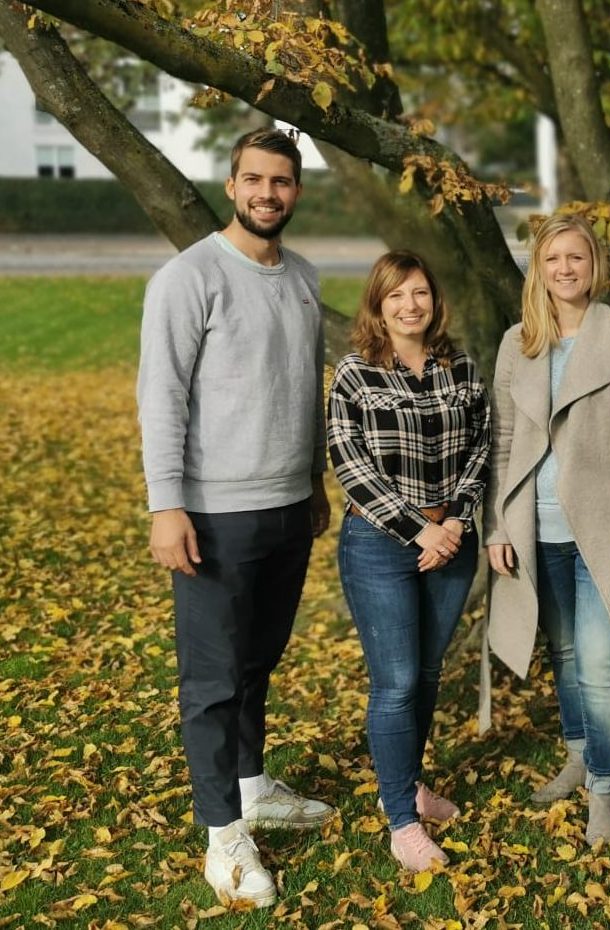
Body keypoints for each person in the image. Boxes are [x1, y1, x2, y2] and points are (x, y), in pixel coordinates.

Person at [137, 128, 335, 908]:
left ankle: (252, 786)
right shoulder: (189, 277)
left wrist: (313, 480)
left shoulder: (304, 277)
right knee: (213, 681)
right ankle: (223, 837)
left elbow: (306, 387)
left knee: (258, 661)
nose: (267, 193)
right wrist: (166, 505)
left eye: (280, 181)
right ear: (231, 185)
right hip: (214, 513)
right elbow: (161, 396)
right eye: (253, 179)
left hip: (286, 506)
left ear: (297, 190)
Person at [482, 213, 610, 844]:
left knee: (599, 662)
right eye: (552, 259)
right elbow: (502, 440)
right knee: (566, 653)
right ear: (538, 270)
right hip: (534, 529)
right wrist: (497, 526)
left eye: (575, 257)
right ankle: (578, 754)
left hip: (603, 531)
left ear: (594, 265)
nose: (564, 269)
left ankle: (604, 785)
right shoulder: (518, 342)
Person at [327, 251, 489, 871]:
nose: (409, 305)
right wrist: (420, 531)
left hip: (451, 538)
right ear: (378, 304)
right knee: (395, 683)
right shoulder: (355, 375)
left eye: (419, 292)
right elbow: (351, 465)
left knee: (426, 673)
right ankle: (401, 820)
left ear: (434, 300)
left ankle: (409, 782)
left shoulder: (461, 368)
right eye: (395, 295)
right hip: (379, 542)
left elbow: (481, 448)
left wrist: (455, 523)